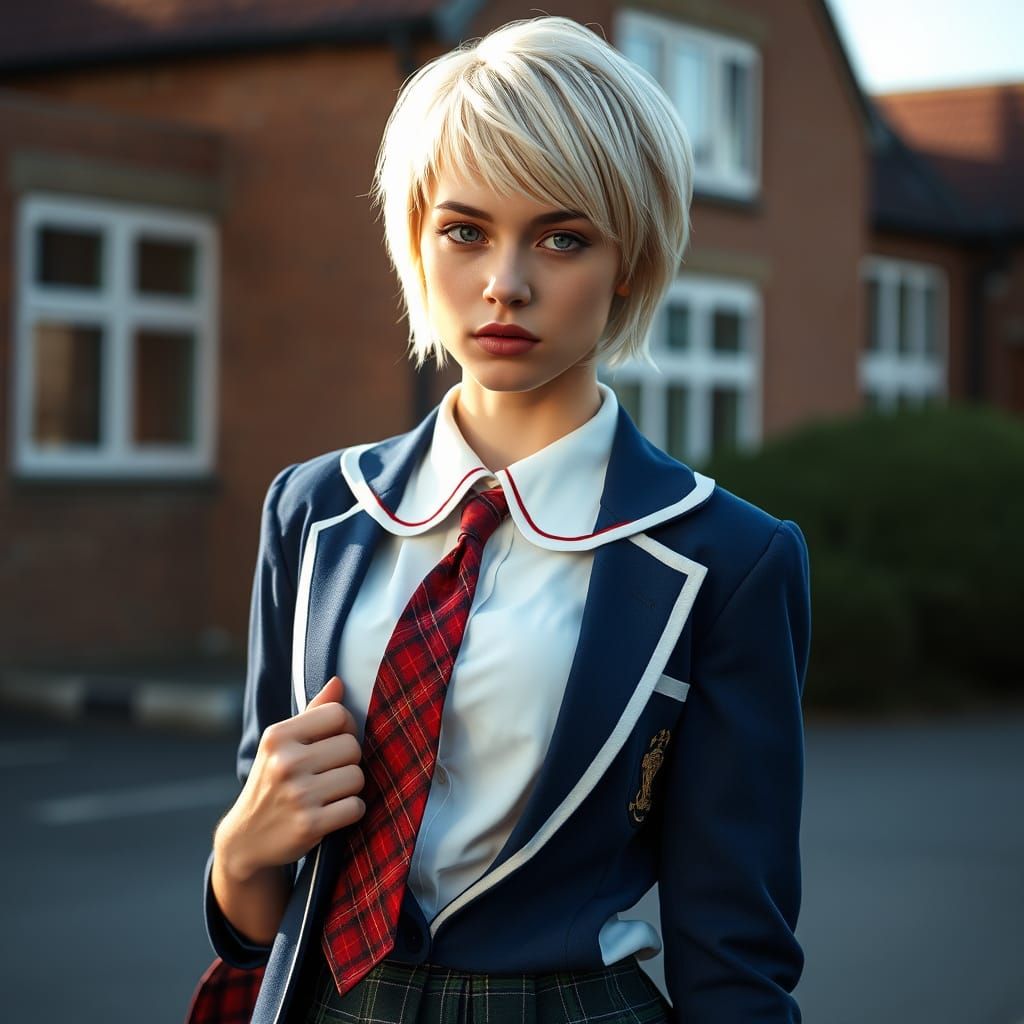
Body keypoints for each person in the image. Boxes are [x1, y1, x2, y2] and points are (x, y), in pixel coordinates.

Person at [187, 15, 811, 1024]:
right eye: (465, 230)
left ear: (627, 261)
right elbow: (262, 904)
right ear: (415, 237)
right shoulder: (315, 511)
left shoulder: (726, 557)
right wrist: (236, 849)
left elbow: (733, 943)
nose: (504, 284)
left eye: (561, 237)